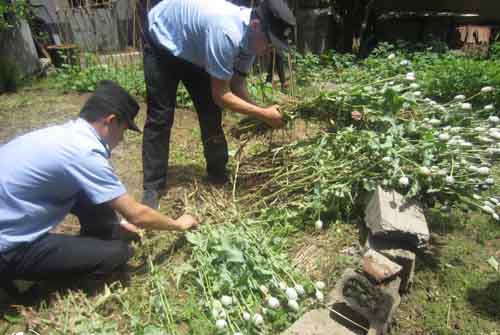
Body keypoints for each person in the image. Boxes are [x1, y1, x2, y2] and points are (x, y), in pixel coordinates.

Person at [0, 81, 198, 286]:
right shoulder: (84, 152)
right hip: (7, 248)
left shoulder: (64, 135)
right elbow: (137, 214)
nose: (121, 139)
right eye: (123, 130)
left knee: (89, 192)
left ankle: (105, 232)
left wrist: (118, 224)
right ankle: (24, 281)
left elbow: (104, 196)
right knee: (117, 254)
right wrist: (178, 224)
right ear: (111, 121)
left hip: (8, 217)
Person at [141, 0, 296, 209]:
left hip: (194, 46)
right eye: (270, 42)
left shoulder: (250, 41)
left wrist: (261, 112)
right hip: (162, 37)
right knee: (161, 116)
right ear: (256, 25)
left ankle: (218, 174)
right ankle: (153, 187)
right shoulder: (227, 33)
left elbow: (237, 85)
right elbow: (221, 94)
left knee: (210, 113)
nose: (270, 49)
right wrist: (262, 114)